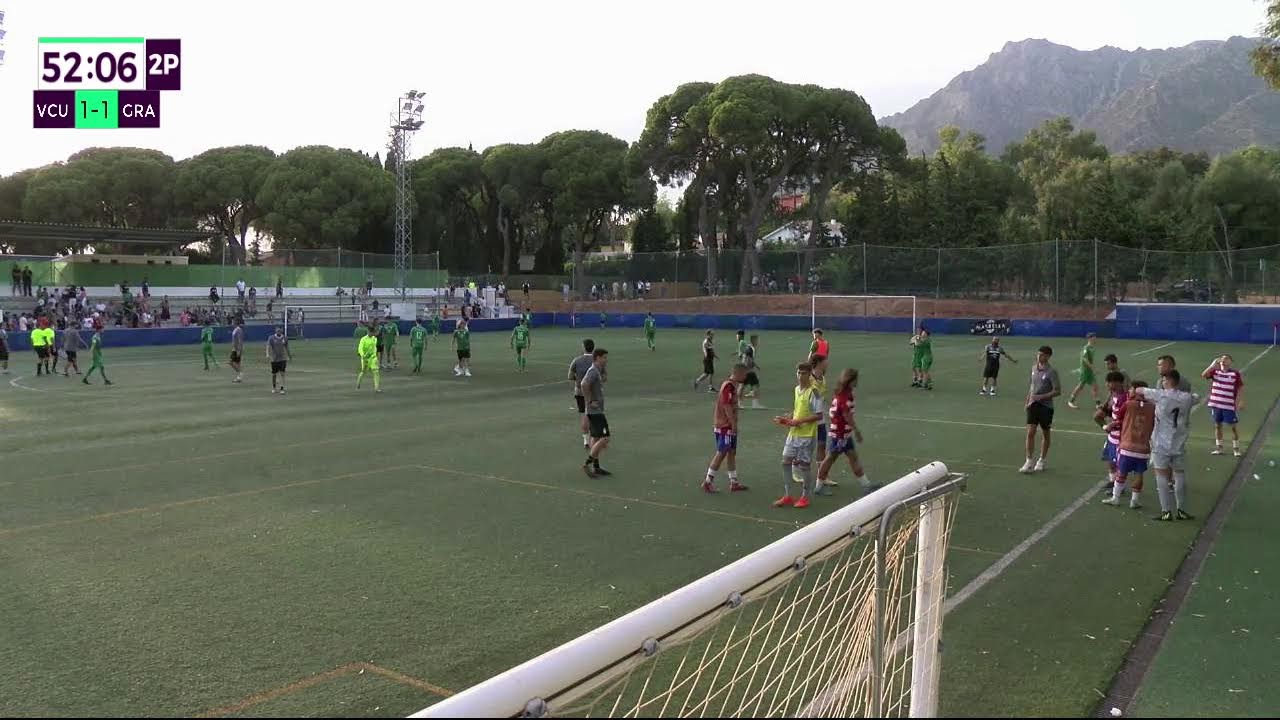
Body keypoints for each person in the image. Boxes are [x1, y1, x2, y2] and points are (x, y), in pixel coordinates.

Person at [1138, 371, 1199, 521]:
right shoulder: (1187, 398)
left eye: (1164, 380)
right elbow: (1196, 397)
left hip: (1160, 444)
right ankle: (1181, 510)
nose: (1162, 382)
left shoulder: (1160, 395)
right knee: (1179, 475)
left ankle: (1166, 511)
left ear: (1167, 381)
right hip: (1179, 443)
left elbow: (1139, 390)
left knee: (1161, 476)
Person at [773, 361, 824, 509]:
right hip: (794, 433)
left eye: (804, 373)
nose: (800, 376)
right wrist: (787, 418)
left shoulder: (814, 392)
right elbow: (798, 409)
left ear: (809, 375)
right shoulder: (797, 389)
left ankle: (805, 497)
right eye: (798, 373)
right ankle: (788, 495)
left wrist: (798, 421)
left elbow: (819, 415)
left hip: (806, 436)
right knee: (785, 461)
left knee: (804, 466)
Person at [816, 368, 874, 493]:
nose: (857, 381)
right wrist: (857, 431)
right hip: (840, 435)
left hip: (842, 433)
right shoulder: (845, 397)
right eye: (856, 379)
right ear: (851, 381)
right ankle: (819, 486)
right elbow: (847, 416)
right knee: (830, 459)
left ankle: (866, 485)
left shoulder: (842, 393)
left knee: (852, 457)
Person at [1104, 380, 1155, 510]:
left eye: (1131, 389)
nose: (1129, 391)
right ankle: (1134, 501)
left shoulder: (1128, 404)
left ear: (1137, 391)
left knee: (1122, 472)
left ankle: (1115, 498)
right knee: (1139, 474)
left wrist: (1109, 426)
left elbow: (1118, 420)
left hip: (1127, 445)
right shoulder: (1153, 407)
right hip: (1143, 447)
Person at [704, 363, 750, 493]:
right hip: (725, 425)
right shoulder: (728, 386)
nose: (745, 377)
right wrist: (733, 423)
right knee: (722, 451)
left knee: (731, 452)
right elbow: (726, 405)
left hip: (728, 425)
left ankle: (734, 482)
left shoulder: (732, 386)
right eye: (744, 375)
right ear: (738, 373)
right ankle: (708, 481)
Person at [1020, 346, 1062, 474]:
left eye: (1042, 355)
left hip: (1046, 407)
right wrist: (1027, 400)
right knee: (1030, 432)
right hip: (1033, 405)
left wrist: (1041, 397)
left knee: (1045, 433)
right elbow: (1032, 386)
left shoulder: (1051, 372)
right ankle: (1028, 461)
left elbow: (1057, 391)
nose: (1039, 356)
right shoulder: (1034, 368)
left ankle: (1041, 460)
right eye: (1038, 354)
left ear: (1048, 356)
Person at [1203, 354, 1244, 457]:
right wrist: (1212, 365)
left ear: (1230, 362)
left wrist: (1239, 401)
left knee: (1233, 427)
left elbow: (1240, 388)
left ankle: (1236, 449)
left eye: (1226, 358)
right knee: (1217, 425)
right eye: (1222, 358)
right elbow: (1204, 375)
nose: (1223, 360)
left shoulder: (1235, 374)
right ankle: (1219, 448)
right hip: (1216, 404)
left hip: (1229, 405)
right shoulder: (1215, 372)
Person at [580, 348, 612, 477]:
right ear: (597, 357)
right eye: (604, 357)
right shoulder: (593, 371)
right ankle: (587, 464)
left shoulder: (597, 370)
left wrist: (603, 369)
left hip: (594, 411)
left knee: (596, 438)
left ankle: (596, 467)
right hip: (595, 412)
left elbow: (603, 379)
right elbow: (584, 384)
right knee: (605, 438)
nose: (606, 360)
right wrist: (589, 401)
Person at [1094, 371, 1128, 491]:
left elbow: (1126, 417)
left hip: (1121, 435)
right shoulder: (1113, 395)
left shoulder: (1124, 398)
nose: (1107, 385)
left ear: (1117, 383)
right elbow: (1108, 409)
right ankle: (1113, 481)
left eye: (1109, 382)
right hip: (1112, 434)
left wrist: (1113, 424)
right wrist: (1103, 414)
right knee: (1110, 459)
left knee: (1119, 462)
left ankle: (1120, 486)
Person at [810, 353, 833, 492]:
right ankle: (794, 467)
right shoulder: (809, 377)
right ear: (819, 362)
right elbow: (814, 395)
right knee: (805, 446)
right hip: (809, 416)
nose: (827, 362)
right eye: (825, 360)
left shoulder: (822, 378)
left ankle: (822, 476)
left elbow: (822, 397)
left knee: (821, 445)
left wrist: (832, 407)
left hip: (820, 417)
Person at [569, 339, 597, 449]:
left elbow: (570, 376)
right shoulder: (596, 361)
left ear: (584, 347)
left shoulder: (576, 360)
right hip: (593, 392)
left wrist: (579, 379)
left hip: (580, 391)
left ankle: (586, 440)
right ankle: (595, 438)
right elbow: (603, 377)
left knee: (583, 414)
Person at [1067, 333, 1099, 409]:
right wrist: (1093, 368)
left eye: (1095, 337)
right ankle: (1070, 401)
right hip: (1086, 371)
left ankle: (1098, 404)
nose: (1095, 339)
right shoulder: (1086, 348)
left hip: (1089, 371)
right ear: (1089, 338)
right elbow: (1085, 359)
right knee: (1081, 386)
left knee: (1094, 386)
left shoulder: (1092, 348)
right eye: (1094, 337)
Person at [266, 325, 292, 394]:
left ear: (282, 330)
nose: (279, 331)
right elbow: (268, 346)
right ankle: (274, 387)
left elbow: (287, 347)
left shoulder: (285, 338)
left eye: (280, 330)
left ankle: (282, 388)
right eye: (277, 330)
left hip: (283, 358)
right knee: (274, 374)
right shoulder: (271, 338)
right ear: (275, 330)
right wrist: (267, 354)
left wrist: (289, 356)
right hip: (274, 359)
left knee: (282, 373)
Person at [357, 325, 381, 392]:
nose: (370, 333)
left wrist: (375, 357)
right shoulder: (363, 339)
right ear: (368, 332)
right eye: (369, 332)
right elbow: (360, 348)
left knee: (376, 372)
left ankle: (376, 388)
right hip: (365, 358)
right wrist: (363, 355)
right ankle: (358, 383)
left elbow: (373, 348)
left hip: (372, 358)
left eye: (372, 332)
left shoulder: (374, 339)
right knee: (364, 372)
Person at [741, 334, 762, 407]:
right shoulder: (750, 349)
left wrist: (756, 366)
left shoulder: (750, 348)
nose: (758, 341)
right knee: (745, 386)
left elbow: (748, 358)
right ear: (754, 341)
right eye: (757, 340)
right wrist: (748, 368)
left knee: (744, 386)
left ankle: (740, 403)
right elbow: (747, 359)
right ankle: (754, 404)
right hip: (748, 370)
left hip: (747, 370)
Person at [230, 318, 245, 383]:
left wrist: (239, 350)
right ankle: (239, 378)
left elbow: (240, 340)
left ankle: (240, 373)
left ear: (235, 322)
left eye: (233, 322)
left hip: (236, 349)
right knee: (238, 363)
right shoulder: (235, 329)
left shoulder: (238, 330)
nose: (232, 323)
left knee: (231, 362)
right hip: (234, 348)